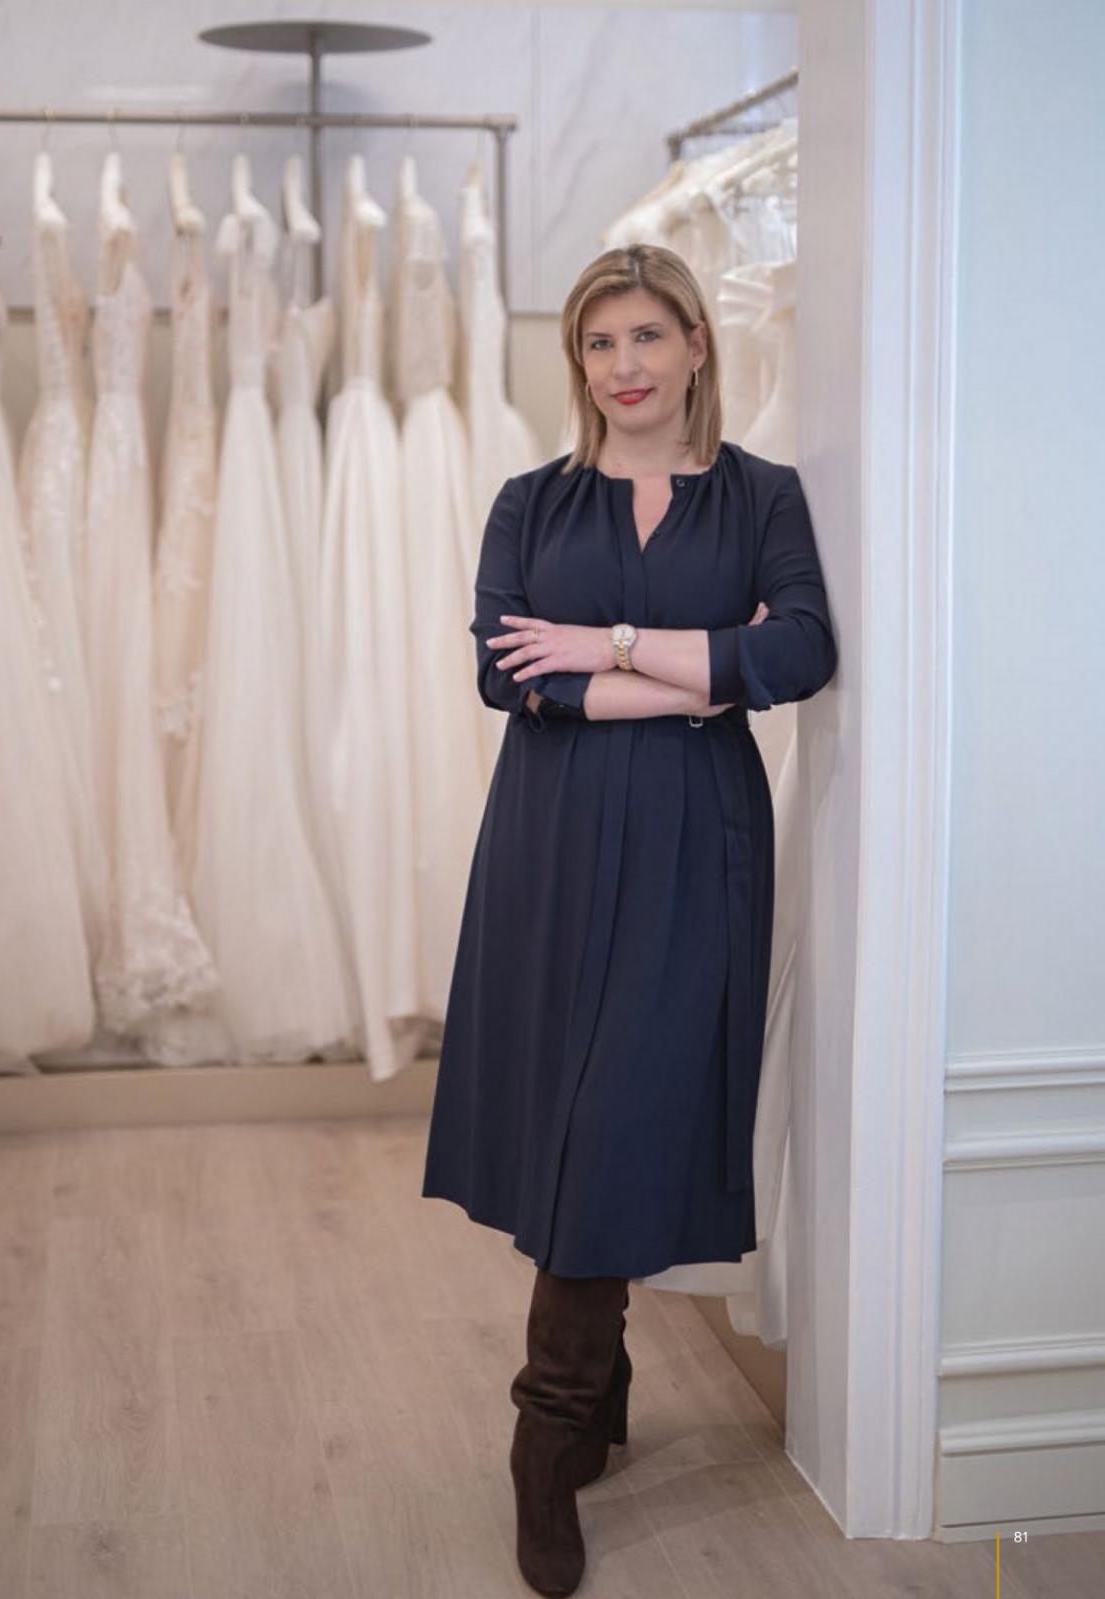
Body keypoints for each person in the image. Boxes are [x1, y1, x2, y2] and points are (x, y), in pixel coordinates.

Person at [421, 243, 838, 1596]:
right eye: (600, 345)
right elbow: (506, 674)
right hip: (549, 838)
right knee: (564, 1108)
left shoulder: (763, 496)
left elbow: (798, 652)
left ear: (698, 343)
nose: (625, 367)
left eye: (648, 336)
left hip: (697, 842)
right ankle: (584, 1399)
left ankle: (547, 1436)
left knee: (625, 1112)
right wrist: (705, 673)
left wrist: (599, 645)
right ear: (579, 363)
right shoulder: (529, 502)